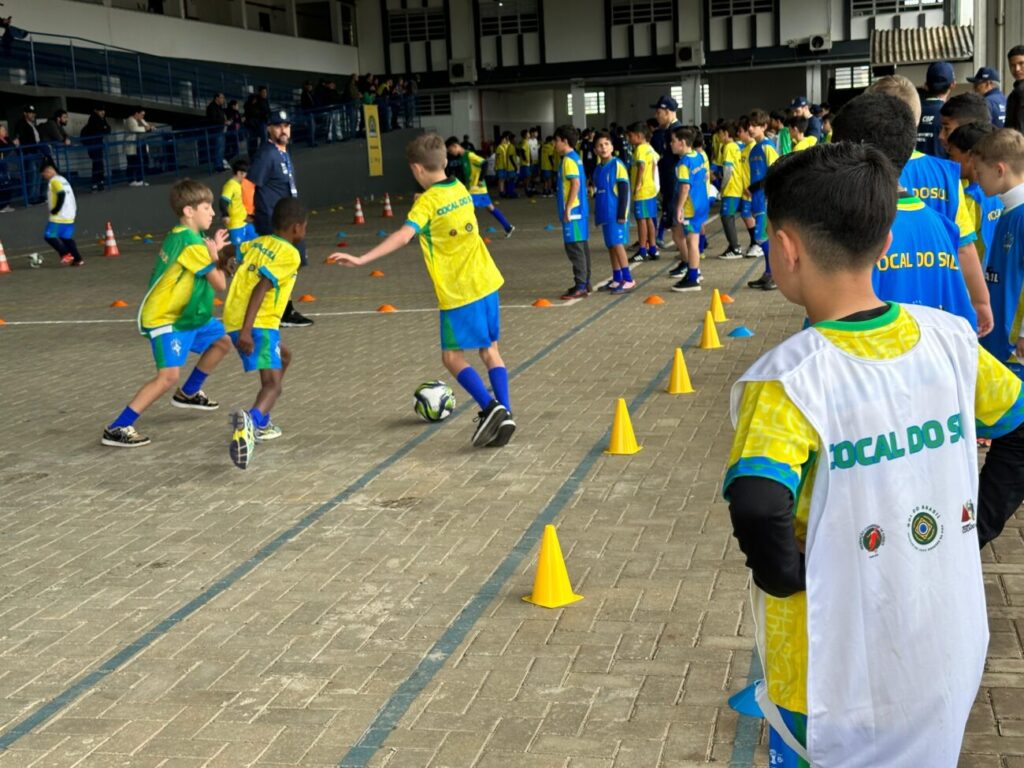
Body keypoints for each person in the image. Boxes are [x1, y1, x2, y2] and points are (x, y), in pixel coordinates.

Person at [725, 139, 1024, 768]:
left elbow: (757, 499)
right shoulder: (950, 340)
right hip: (941, 635)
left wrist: (789, 576)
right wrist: (981, 523)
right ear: (885, 242)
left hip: (826, 665)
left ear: (785, 250)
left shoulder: (788, 379)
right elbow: (1020, 426)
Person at [328, 133, 515, 448]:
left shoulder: (426, 202)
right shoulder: (459, 188)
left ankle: (490, 407)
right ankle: (506, 412)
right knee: (490, 350)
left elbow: (403, 236)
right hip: (487, 280)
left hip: (459, 290)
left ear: (416, 169)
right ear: (444, 161)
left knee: (451, 357)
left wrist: (362, 258)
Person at [102, 179, 231, 448]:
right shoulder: (191, 244)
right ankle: (117, 427)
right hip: (167, 319)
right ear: (189, 211)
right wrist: (215, 255)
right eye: (206, 207)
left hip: (190, 315)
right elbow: (220, 285)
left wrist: (213, 253)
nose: (212, 213)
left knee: (222, 341)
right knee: (167, 377)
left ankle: (189, 392)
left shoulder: (184, 235)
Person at [832, 92, 978, 330]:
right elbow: (962, 322)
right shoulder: (942, 226)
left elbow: (831, 329)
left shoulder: (850, 227)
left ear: (847, 151)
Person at [867, 75, 994, 334]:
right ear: (917, 120)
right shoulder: (946, 173)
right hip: (936, 294)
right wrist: (981, 301)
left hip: (880, 293)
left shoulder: (864, 170)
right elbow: (964, 247)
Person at [223, 197, 307, 469]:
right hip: (258, 323)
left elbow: (226, 251)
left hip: (234, 319)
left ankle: (261, 420)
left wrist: (228, 263)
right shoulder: (290, 254)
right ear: (297, 228)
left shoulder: (257, 243)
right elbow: (262, 287)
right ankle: (253, 420)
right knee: (273, 385)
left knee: (284, 357)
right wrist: (248, 331)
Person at [247, 109, 312, 328]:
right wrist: (250, 213)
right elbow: (248, 184)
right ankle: (282, 311)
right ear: (269, 129)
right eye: (278, 126)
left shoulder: (282, 152)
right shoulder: (267, 153)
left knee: (292, 263)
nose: (283, 130)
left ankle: (283, 308)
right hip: (274, 221)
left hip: (287, 221)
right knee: (283, 264)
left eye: (286, 126)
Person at [974, 129, 1024, 380]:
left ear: (999, 170)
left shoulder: (1021, 214)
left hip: (1015, 346)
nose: (977, 180)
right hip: (1000, 337)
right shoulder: (1009, 209)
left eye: (980, 173)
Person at [947, 122, 1002, 267]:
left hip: (976, 276)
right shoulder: (1001, 190)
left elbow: (960, 244)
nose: (948, 162)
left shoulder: (970, 199)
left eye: (951, 155)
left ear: (971, 156)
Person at [552, 125, 592, 300]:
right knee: (582, 247)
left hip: (574, 212)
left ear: (564, 141)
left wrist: (568, 208)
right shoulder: (576, 158)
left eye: (556, 141)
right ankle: (585, 282)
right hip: (579, 211)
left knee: (575, 249)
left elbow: (575, 184)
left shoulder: (568, 160)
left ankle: (581, 285)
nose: (554, 144)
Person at [445, 137, 514, 237]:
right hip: (478, 189)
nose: (451, 153)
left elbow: (484, 163)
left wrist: (480, 179)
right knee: (490, 208)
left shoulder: (469, 155)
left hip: (475, 189)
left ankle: (473, 235)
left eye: (451, 150)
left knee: (467, 210)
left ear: (455, 146)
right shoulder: (462, 157)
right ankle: (508, 227)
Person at [592, 130, 633, 294]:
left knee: (618, 245)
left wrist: (622, 213)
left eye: (606, 144)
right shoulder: (598, 169)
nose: (603, 148)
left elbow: (624, 190)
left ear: (612, 147)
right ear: (595, 150)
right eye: (600, 145)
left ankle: (628, 279)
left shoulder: (617, 165)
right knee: (610, 246)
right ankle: (617, 278)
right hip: (604, 214)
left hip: (616, 213)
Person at [669, 127, 708, 292]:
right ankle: (694, 270)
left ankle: (693, 278)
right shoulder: (698, 156)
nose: (671, 144)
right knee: (692, 240)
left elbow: (685, 187)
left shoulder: (684, 163)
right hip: (702, 203)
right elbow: (705, 175)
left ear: (682, 143)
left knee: (692, 242)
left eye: (673, 141)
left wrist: (679, 208)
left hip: (690, 208)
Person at [745, 109, 780, 290]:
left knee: (762, 236)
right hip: (757, 200)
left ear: (764, 127)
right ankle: (768, 272)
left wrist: (757, 187)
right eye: (749, 125)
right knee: (761, 237)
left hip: (766, 199)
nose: (750, 129)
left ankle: (774, 274)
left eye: (755, 126)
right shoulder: (754, 149)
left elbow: (776, 171)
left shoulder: (767, 146)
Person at [649, 95, 682, 251]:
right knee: (673, 222)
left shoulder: (676, 131)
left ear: (667, 112)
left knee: (677, 225)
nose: (656, 116)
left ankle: (689, 263)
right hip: (669, 183)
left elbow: (680, 160)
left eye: (658, 112)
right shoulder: (668, 130)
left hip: (674, 183)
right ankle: (686, 260)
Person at [40, 158, 83, 267]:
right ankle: (78, 259)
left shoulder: (54, 181)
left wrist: (56, 209)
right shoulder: (63, 179)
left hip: (59, 216)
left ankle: (65, 254)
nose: (44, 177)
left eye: (44, 174)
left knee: (49, 236)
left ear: (49, 171)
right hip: (70, 214)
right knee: (66, 238)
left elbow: (61, 194)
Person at [627, 121, 659, 264]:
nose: (629, 139)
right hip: (651, 189)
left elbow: (641, 166)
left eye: (630, 136)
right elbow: (654, 164)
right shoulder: (650, 148)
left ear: (639, 136)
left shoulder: (640, 148)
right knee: (649, 219)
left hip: (643, 191)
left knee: (641, 221)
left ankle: (642, 250)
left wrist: (638, 184)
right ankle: (653, 248)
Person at [717, 122, 744, 259]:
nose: (719, 137)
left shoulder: (728, 147)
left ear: (726, 134)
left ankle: (735, 247)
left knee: (727, 217)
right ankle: (732, 246)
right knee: (728, 217)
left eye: (720, 134)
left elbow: (728, 170)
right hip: (736, 187)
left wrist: (722, 187)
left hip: (731, 188)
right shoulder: (737, 146)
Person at [917, 61, 955, 158]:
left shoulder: (912, 110)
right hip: (941, 171)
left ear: (926, 85)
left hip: (912, 171)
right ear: (953, 84)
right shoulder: (952, 115)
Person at [221, 157, 256, 250]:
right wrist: (225, 215)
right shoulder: (230, 185)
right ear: (239, 173)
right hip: (235, 224)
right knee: (239, 250)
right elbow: (223, 201)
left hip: (245, 221)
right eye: (245, 174)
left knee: (254, 244)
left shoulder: (239, 185)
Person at [13, 104, 43, 204]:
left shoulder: (32, 124)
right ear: (25, 113)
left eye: (33, 113)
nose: (32, 114)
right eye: (30, 113)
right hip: (28, 153)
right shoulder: (21, 124)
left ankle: (36, 196)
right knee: (32, 174)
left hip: (36, 152)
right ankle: (31, 198)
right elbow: (18, 136)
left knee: (38, 174)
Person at [80, 105, 111, 191]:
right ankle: (98, 182)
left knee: (97, 163)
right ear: (96, 111)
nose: (103, 112)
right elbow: (101, 129)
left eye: (104, 111)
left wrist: (104, 128)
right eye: (101, 110)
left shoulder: (101, 119)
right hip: (94, 144)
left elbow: (108, 129)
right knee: (98, 163)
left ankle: (97, 182)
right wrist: (104, 128)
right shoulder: (94, 119)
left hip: (96, 144)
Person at [125, 106, 153, 187]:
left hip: (142, 144)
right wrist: (146, 128)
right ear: (136, 113)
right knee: (133, 162)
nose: (143, 116)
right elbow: (134, 129)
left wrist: (148, 128)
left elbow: (148, 127)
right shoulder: (130, 120)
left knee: (144, 161)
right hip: (133, 145)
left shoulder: (141, 120)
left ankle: (140, 179)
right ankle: (133, 180)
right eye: (142, 114)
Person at [205, 92, 230, 170]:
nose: (223, 100)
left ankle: (220, 164)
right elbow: (213, 119)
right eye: (222, 98)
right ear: (217, 98)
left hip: (220, 129)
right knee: (219, 148)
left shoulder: (219, 107)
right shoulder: (212, 107)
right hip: (216, 130)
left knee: (221, 148)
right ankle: (218, 166)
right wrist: (224, 121)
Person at [243, 86, 270, 158]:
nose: (265, 94)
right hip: (253, 123)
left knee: (264, 138)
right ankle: (253, 156)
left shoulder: (265, 100)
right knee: (253, 141)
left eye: (266, 92)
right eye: (263, 92)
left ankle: (260, 154)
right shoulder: (254, 99)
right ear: (260, 92)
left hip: (262, 121)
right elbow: (249, 110)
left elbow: (267, 110)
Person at [1004, 46, 1024, 132]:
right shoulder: (1014, 94)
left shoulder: (1020, 92)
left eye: (1021, 63)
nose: (1017, 69)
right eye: (1012, 65)